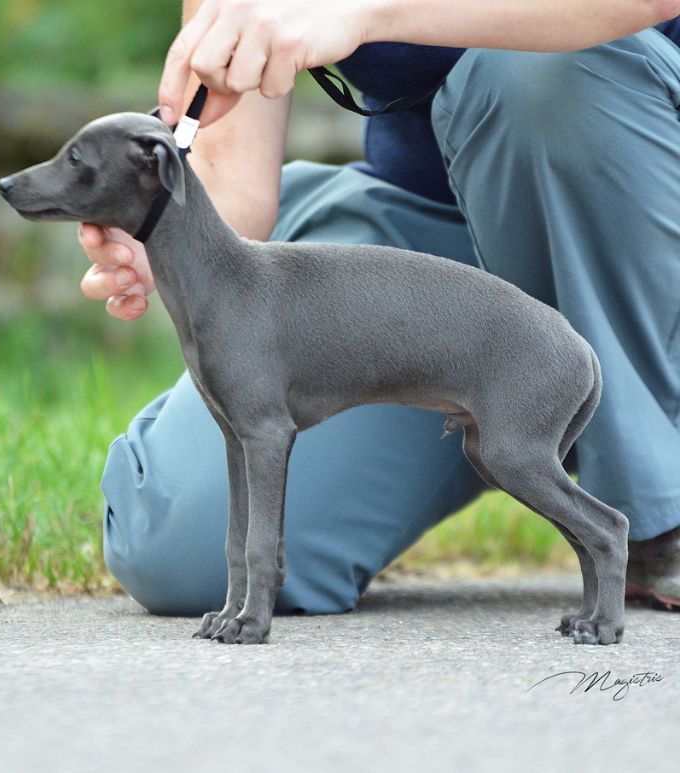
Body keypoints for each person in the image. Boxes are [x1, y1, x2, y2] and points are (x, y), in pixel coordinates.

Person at [79, 0, 680, 616]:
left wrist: (362, 12)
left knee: (537, 79)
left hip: (635, 210)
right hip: (428, 245)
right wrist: (166, 227)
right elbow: (228, 171)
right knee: (183, 554)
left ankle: (656, 506)